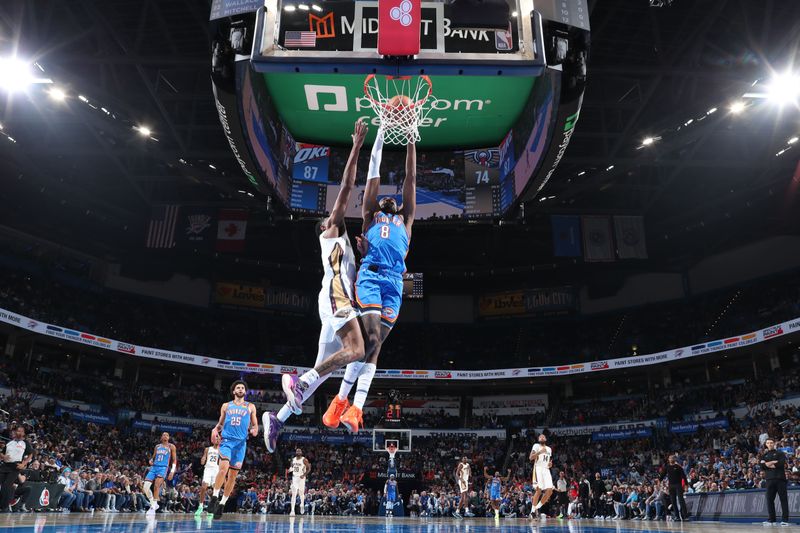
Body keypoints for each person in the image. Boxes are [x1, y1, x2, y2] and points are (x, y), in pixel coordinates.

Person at [285, 127, 418, 434]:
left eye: (393, 200)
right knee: (368, 340)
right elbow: (373, 169)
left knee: (376, 346)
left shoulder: (406, 220)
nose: (388, 199)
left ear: (399, 206)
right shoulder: (370, 215)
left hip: (395, 284)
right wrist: (383, 132)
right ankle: (342, 399)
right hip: (370, 278)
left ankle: (352, 406)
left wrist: (410, 137)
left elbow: (411, 178)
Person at [264, 120, 369, 447]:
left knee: (329, 366)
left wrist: (363, 256)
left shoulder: (345, 247)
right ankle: (299, 382)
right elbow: (347, 186)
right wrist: (357, 146)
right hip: (336, 298)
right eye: (329, 217)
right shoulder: (331, 232)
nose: (333, 215)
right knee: (358, 350)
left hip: (333, 299)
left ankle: (277, 419)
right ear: (326, 226)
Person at [208, 380, 258, 519]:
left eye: (243, 388)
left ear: (245, 391)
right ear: (234, 391)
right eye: (238, 388)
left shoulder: (250, 406)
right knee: (223, 469)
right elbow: (220, 424)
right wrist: (214, 429)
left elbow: (255, 426)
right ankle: (214, 497)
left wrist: (254, 430)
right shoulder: (226, 406)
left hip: (241, 445)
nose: (240, 389)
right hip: (227, 442)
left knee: (232, 477)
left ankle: (222, 504)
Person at [142, 432, 177, 516]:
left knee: (156, 486)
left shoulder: (171, 446)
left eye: (167, 435)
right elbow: (153, 457)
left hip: (163, 468)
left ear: (168, 438)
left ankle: (152, 508)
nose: (165, 436)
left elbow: (174, 460)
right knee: (145, 487)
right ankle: (153, 503)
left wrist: (172, 471)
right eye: (163, 435)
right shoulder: (157, 446)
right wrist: (151, 460)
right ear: (161, 437)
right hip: (154, 467)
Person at [0, 426, 33, 510]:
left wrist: (24, 464)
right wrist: (3, 456)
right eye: (18, 431)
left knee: (6, 486)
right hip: (5, 465)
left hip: (15, 467)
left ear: (24, 433)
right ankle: (4, 505)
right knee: (4, 486)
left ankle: (4, 507)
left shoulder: (25, 443)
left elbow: (30, 454)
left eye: (21, 431)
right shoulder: (9, 442)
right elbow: (1, 453)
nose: (19, 432)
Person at [761, 437, 790, 526]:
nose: (770, 444)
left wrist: (767, 464)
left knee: (783, 500)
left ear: (774, 444)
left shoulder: (780, 453)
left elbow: (780, 464)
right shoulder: (764, 455)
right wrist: (773, 462)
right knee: (769, 500)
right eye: (768, 443)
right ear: (766, 444)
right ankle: (771, 520)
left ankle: (785, 520)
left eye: (771, 443)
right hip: (769, 480)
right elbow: (762, 466)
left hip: (780, 479)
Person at [194, 433, 220, 516]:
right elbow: (204, 456)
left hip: (216, 470)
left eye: (218, 438)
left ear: (220, 441)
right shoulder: (207, 449)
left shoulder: (221, 450)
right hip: (208, 469)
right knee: (203, 487)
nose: (217, 439)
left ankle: (211, 508)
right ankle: (200, 507)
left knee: (215, 490)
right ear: (213, 440)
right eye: (215, 438)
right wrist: (203, 459)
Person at [530, 433, 554, 518]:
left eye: (543, 436)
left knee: (550, 491)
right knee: (539, 490)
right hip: (538, 468)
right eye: (540, 436)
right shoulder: (536, 446)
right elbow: (531, 457)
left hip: (546, 470)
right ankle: (532, 511)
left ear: (546, 439)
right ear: (538, 439)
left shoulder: (549, 449)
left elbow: (548, 462)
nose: (542, 437)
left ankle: (537, 507)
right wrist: (539, 452)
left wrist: (550, 464)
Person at [661, 454, 688, 522]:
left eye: (673, 458)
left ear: (674, 459)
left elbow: (683, 476)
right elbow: (662, 475)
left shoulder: (678, 467)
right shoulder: (667, 467)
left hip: (678, 485)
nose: (671, 459)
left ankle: (685, 516)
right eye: (670, 458)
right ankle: (677, 516)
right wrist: (659, 480)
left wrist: (686, 485)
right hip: (671, 486)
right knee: (673, 502)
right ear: (669, 459)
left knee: (681, 500)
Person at [288, 447, 311, 516]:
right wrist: (290, 470)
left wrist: (304, 474)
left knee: (301, 493)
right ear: (296, 453)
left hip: (301, 478)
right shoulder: (293, 459)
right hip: (295, 477)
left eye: (299, 451)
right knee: (294, 493)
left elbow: (309, 468)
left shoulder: (304, 460)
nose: (298, 452)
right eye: (297, 451)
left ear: (301, 452)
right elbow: (292, 467)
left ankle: (302, 504)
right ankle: (292, 510)